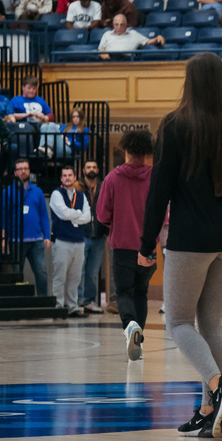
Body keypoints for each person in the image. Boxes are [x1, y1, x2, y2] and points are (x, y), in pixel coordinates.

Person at [140, 54, 222, 439]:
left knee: (177, 321)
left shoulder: (176, 125)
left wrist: (146, 241)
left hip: (190, 241)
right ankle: (209, 410)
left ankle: (218, 384)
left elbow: (160, 191)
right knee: (210, 323)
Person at [98, 129, 157, 360]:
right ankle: (138, 341)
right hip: (148, 247)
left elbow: (102, 214)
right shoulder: (155, 177)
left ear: (126, 150)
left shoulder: (113, 178)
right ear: (147, 152)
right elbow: (163, 212)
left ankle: (130, 326)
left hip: (122, 246)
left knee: (123, 292)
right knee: (141, 292)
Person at [0, 159, 50, 296]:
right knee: (17, 273)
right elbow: (2, 216)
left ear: (29, 171)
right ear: (15, 173)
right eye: (20, 169)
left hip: (36, 240)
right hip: (16, 240)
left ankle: (42, 300)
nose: (23, 171)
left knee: (41, 271)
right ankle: (18, 301)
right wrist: (3, 238)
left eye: (26, 168)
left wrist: (47, 236)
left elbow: (44, 216)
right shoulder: (7, 192)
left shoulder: (38, 191)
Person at [49, 165, 92, 319]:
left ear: (75, 177)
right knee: (60, 276)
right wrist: (78, 214)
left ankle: (73, 307)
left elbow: (88, 217)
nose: (67, 178)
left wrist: (73, 215)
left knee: (75, 277)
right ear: (61, 178)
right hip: (62, 241)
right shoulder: (56, 194)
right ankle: (58, 307)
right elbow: (62, 213)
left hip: (79, 242)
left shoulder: (81, 196)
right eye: (64, 175)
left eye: (70, 175)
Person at [78, 159, 107, 314]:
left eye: (94, 167)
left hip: (99, 236)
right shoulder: (78, 187)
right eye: (88, 167)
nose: (91, 169)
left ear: (97, 170)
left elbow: (110, 208)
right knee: (80, 270)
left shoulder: (103, 187)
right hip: (82, 234)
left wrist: (107, 232)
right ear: (83, 170)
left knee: (93, 272)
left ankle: (89, 301)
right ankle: (78, 301)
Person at [98, 13, 166, 60]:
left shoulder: (133, 34)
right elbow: (101, 50)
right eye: (117, 24)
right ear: (113, 24)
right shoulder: (107, 34)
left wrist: (157, 38)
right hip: (109, 60)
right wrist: (105, 56)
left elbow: (148, 41)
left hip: (126, 61)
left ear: (126, 25)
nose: (119, 27)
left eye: (122, 24)